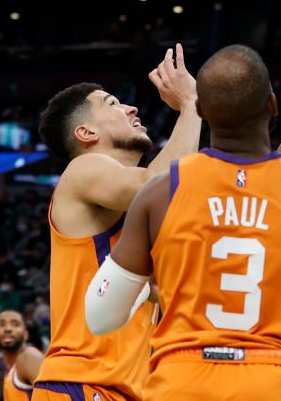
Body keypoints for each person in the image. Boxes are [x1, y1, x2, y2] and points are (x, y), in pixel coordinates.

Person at [85, 44, 281, 400]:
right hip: (275, 381)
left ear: (200, 110)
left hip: (182, 382)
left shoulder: (160, 193)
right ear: (272, 105)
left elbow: (101, 316)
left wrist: (153, 287)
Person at [32, 45, 203, 401]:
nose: (132, 107)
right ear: (86, 133)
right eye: (112, 104)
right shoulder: (83, 170)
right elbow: (164, 187)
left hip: (124, 388)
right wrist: (190, 104)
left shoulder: (133, 212)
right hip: (82, 383)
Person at [0, 310, 43, 401]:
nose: (7, 329)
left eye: (15, 324)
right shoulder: (11, 368)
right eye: (1, 324)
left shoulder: (29, 357)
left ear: (26, 334)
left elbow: (52, 396)